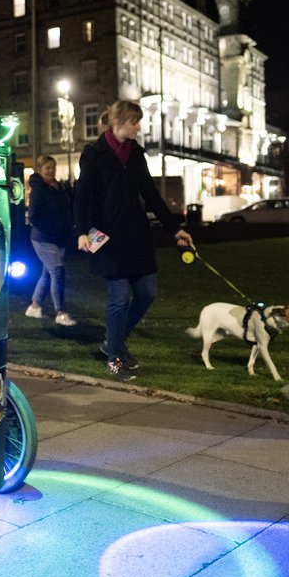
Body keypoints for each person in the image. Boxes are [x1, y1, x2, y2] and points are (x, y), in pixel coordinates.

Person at [73, 100, 193, 381]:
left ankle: (112, 342)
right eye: (134, 121)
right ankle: (115, 359)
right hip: (106, 237)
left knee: (147, 293)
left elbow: (151, 195)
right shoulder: (94, 153)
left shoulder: (137, 154)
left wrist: (175, 229)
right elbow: (82, 195)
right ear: (119, 123)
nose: (139, 126)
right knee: (118, 298)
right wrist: (81, 231)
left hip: (136, 236)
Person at [24, 155, 76, 326]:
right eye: (47, 168)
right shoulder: (39, 190)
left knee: (47, 274)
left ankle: (35, 306)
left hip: (58, 237)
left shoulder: (58, 187)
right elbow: (33, 216)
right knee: (58, 272)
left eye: (53, 167)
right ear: (40, 170)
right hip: (44, 238)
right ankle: (60, 312)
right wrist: (51, 229)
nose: (51, 171)